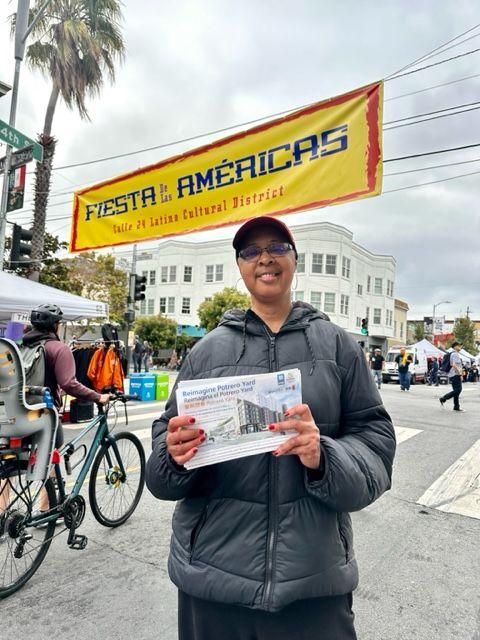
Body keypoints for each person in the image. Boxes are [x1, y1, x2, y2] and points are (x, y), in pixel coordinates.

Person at [146, 215, 396, 640]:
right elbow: (160, 469)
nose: (265, 258)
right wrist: (173, 455)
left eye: (277, 247)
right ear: (240, 267)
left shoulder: (339, 346)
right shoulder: (206, 352)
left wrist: (324, 456)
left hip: (313, 583)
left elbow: (376, 442)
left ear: (295, 259)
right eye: (250, 251)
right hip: (212, 578)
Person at [0, 304, 111, 518]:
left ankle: (1, 512)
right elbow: (69, 384)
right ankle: (48, 508)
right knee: (52, 449)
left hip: (12, 415)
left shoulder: (19, 345)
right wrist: (98, 396)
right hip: (41, 417)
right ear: (56, 326)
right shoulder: (59, 349)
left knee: (10, 462)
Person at [439, 342, 465, 412]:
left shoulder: (454, 354)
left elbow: (456, 365)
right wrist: (460, 374)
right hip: (455, 374)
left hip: (453, 374)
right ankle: (443, 398)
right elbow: (454, 365)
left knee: (456, 391)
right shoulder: (455, 354)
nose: (460, 347)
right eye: (459, 346)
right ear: (455, 347)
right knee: (458, 390)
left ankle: (456, 407)